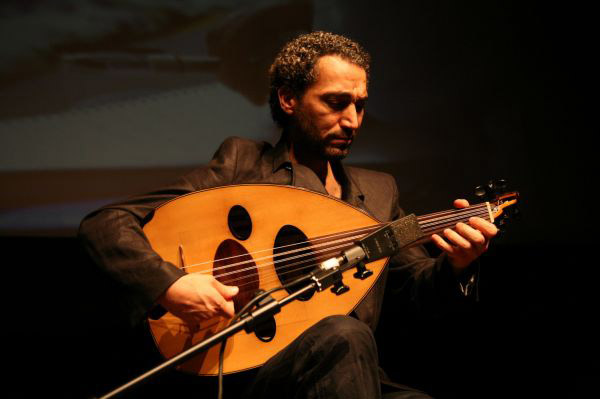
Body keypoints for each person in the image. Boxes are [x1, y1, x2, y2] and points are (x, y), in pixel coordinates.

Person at [79, 31, 498, 399]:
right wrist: (172, 285)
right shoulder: (243, 164)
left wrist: (457, 266)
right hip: (255, 377)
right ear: (288, 99)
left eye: (360, 105)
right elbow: (107, 223)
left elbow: (421, 294)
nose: (352, 120)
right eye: (336, 103)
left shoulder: (378, 192)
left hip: (349, 374)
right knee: (343, 333)